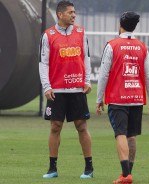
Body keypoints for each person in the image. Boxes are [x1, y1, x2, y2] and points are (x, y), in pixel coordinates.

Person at [96, 11, 149, 184]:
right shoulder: (142, 47)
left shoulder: (112, 45)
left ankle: (125, 175)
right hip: (137, 97)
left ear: (120, 25)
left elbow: (103, 75)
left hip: (118, 98)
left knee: (120, 134)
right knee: (132, 135)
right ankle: (128, 173)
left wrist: (99, 98)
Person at [39, 0, 93, 179]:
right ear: (60, 14)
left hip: (77, 88)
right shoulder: (48, 35)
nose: (74, 15)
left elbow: (86, 58)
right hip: (57, 89)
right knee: (55, 127)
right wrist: (46, 86)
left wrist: (87, 80)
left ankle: (89, 168)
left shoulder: (81, 33)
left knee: (81, 126)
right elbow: (43, 63)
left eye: (74, 12)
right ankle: (52, 169)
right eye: (70, 12)